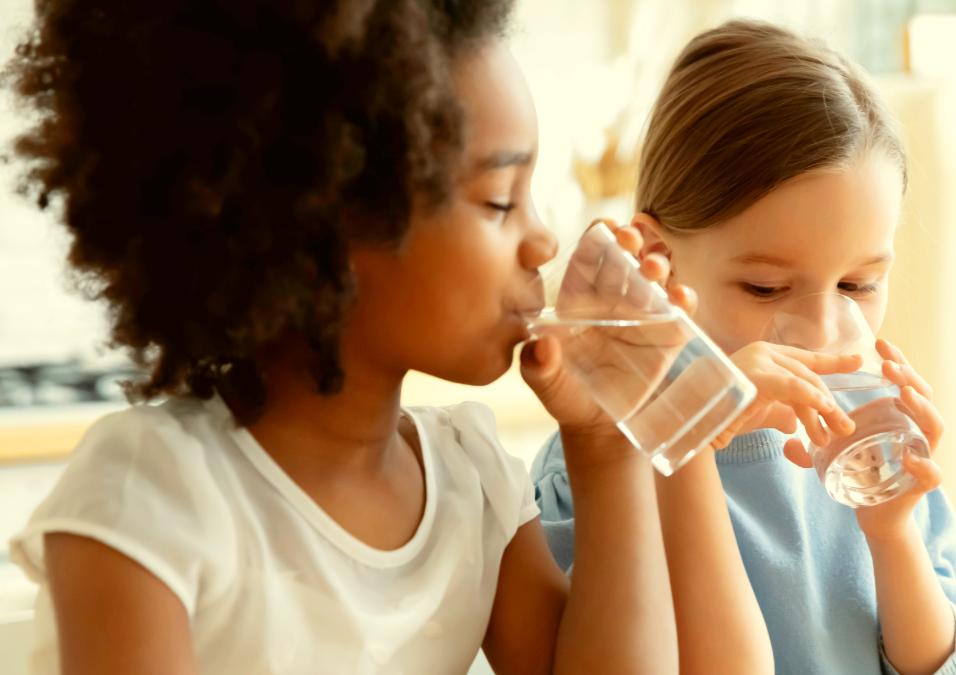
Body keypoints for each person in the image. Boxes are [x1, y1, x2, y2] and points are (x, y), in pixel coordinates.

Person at [6, 2, 772, 673]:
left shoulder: (469, 481)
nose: (544, 240)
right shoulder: (157, 494)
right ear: (325, 221)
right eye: (500, 201)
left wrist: (604, 446)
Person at [532, 20, 956, 675]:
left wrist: (892, 538)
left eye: (858, 283)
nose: (824, 330)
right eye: (767, 286)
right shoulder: (601, 460)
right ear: (659, 263)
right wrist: (689, 416)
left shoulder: (872, 453)